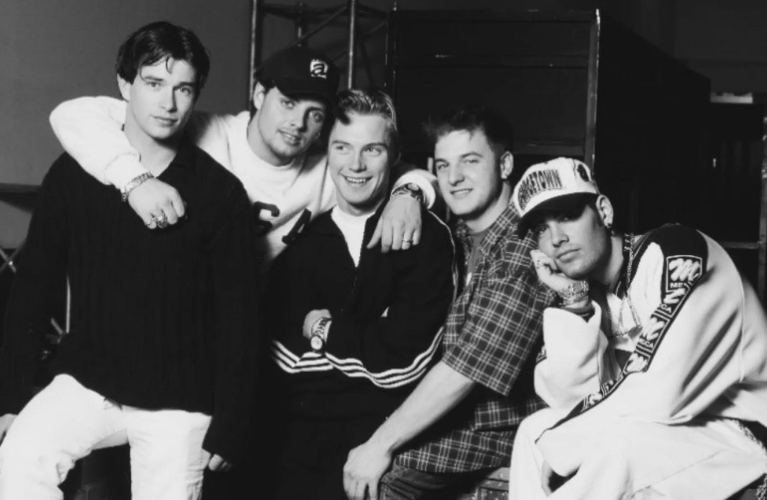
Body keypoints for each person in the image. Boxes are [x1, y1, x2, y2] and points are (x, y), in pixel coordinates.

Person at [0, 21, 260, 500]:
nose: (168, 103)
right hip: (92, 378)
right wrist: (10, 401)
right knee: (22, 456)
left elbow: (241, 316)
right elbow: (34, 286)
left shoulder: (220, 193)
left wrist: (232, 420)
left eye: (183, 88)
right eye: (154, 84)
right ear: (124, 85)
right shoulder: (74, 174)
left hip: (182, 394)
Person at [508, 157, 767, 500]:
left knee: (614, 450)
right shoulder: (583, 290)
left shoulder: (676, 251)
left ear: (604, 212)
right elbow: (569, 399)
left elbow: (661, 393)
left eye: (567, 216)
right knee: (534, 431)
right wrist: (574, 303)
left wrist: (565, 443)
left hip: (756, 440)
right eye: (540, 229)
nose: (556, 239)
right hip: (671, 435)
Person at [49, 45, 436, 274]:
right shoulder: (205, 132)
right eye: (287, 103)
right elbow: (73, 114)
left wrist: (409, 196)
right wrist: (135, 180)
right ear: (258, 94)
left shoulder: (328, 166)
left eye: (314, 113)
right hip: (170, 301)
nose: (297, 123)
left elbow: (399, 171)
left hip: (255, 314)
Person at [342, 105, 553, 500]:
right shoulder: (450, 233)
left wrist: (379, 445)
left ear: (505, 164)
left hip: (497, 430)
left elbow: (468, 366)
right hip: (448, 416)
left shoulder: (524, 248)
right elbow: (393, 173)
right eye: (443, 165)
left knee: (378, 483)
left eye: (470, 162)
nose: (454, 178)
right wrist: (406, 195)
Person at [262, 89, 455, 499]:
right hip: (297, 451)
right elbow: (285, 364)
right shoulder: (302, 243)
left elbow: (402, 365)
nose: (356, 164)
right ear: (326, 152)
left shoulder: (426, 237)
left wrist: (324, 329)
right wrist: (367, 336)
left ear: (394, 155)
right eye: (342, 147)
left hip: (386, 450)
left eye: (372, 149)